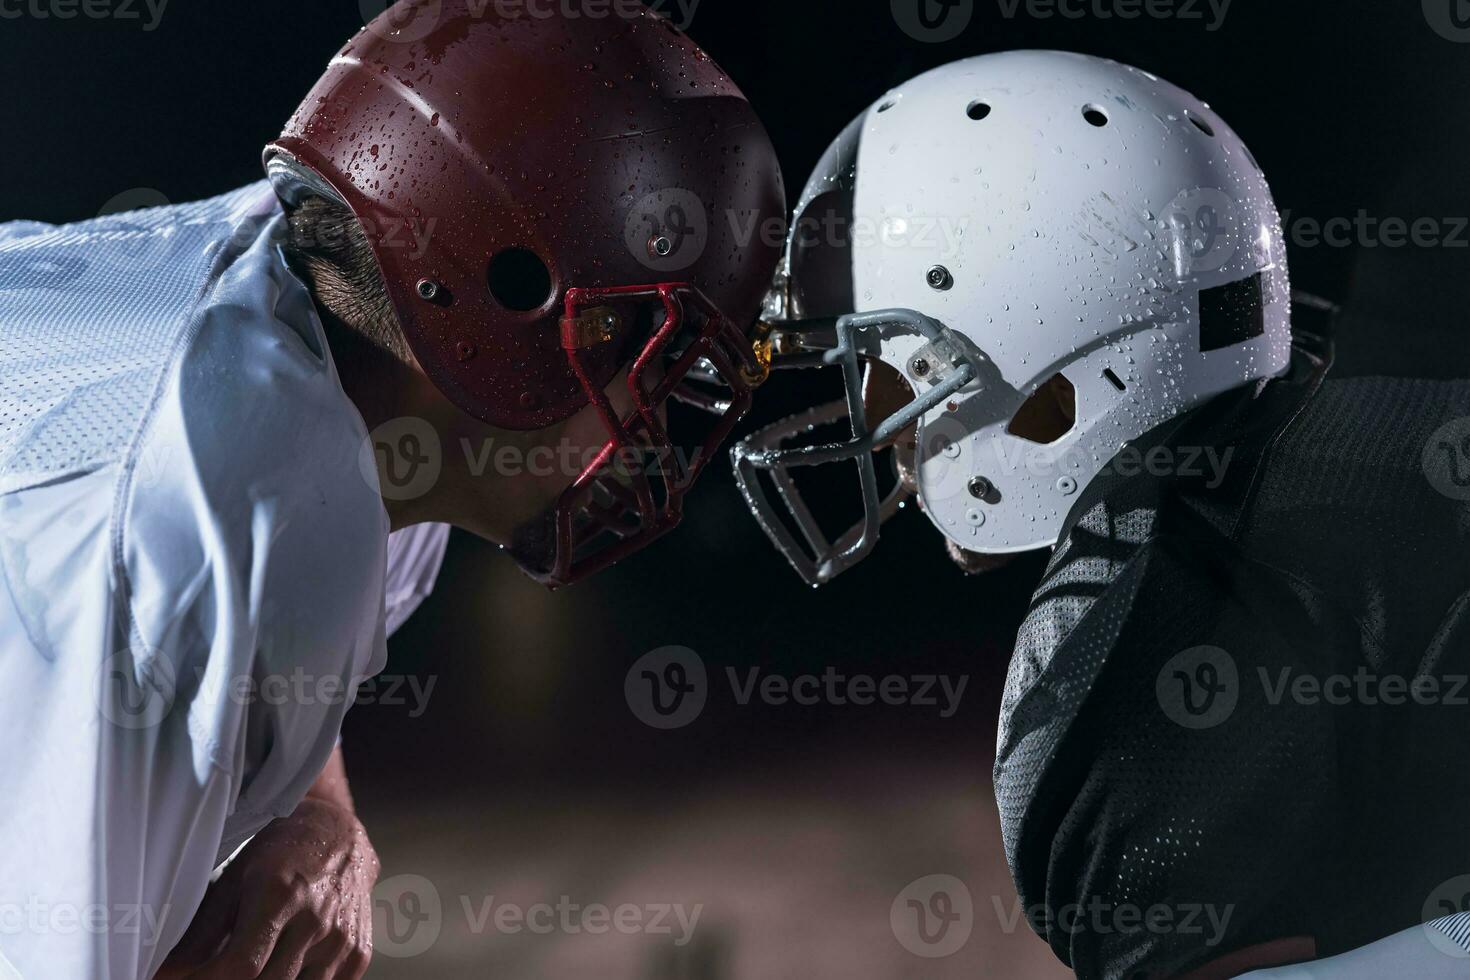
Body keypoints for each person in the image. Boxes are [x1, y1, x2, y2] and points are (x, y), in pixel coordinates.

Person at [0, 1, 784, 976]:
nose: (655, 424)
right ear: (509, 304)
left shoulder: (333, 340)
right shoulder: (173, 526)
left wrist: (318, 808)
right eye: (643, 351)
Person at [730, 50, 1470, 978]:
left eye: (881, 361)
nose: (877, 426)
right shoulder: (1380, 427)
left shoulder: (1137, 657)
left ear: (1028, 323)